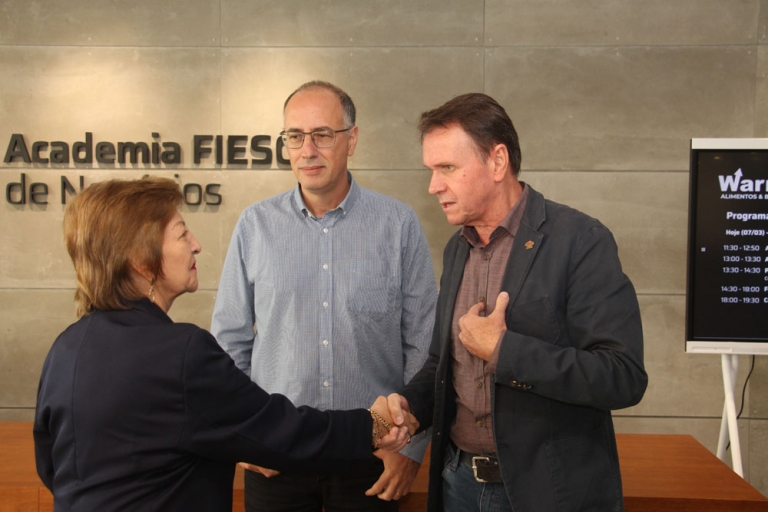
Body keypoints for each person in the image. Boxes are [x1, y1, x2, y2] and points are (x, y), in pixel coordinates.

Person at [33, 177, 416, 512]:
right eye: (182, 234)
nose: (197, 245)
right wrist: (374, 424)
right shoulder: (182, 353)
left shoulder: (65, 348)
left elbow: (53, 466)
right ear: (141, 260)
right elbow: (278, 429)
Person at [386, 93, 648, 512]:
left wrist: (503, 350)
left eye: (447, 168)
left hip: (547, 495)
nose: (433, 186)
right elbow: (442, 363)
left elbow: (622, 375)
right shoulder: (457, 248)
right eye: (431, 171)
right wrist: (408, 407)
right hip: (458, 484)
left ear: (497, 162)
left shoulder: (580, 240)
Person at [211, 80, 437, 511]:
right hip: (277, 457)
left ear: (352, 139)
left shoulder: (398, 225)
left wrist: (409, 448)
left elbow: (424, 348)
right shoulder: (254, 226)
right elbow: (229, 345)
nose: (307, 150)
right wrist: (243, 436)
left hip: (374, 460)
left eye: (322, 135)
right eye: (295, 136)